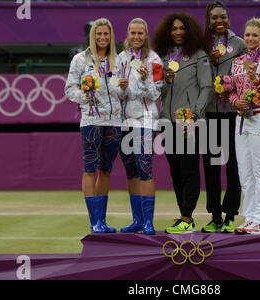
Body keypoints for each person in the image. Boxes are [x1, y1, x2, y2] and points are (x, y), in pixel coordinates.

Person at [152, 12, 213, 234]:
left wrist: (194, 115)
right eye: (174, 29)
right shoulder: (161, 57)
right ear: (168, 32)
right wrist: (165, 81)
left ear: (189, 31)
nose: (178, 32)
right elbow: (160, 92)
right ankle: (183, 216)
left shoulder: (199, 55)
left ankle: (187, 216)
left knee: (189, 169)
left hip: (189, 122)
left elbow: (206, 87)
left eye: (182, 28)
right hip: (167, 122)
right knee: (175, 171)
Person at [65, 18, 122, 234]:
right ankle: (94, 222)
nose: (102, 38)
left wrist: (126, 87)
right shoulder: (80, 60)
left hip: (115, 120)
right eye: (99, 34)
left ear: (111, 36)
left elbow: (127, 89)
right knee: (90, 169)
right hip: (90, 120)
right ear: (92, 35)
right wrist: (85, 97)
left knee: (105, 170)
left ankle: (103, 221)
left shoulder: (120, 59)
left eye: (106, 34)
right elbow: (69, 89)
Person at [229, 17, 260, 234]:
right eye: (247, 35)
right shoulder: (237, 61)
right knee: (245, 172)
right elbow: (231, 89)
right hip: (241, 119)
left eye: (254, 35)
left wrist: (256, 78)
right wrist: (234, 101)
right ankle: (249, 218)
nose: (250, 38)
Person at [201, 1, 246, 234]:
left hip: (232, 113)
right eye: (215, 18)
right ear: (208, 20)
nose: (219, 21)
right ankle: (215, 215)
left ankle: (230, 215)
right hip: (208, 113)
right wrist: (209, 63)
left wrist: (231, 86)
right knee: (210, 166)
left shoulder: (239, 44)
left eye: (223, 17)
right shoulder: (200, 45)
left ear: (228, 19)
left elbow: (246, 74)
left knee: (233, 166)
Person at [116, 18, 164, 235]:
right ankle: (137, 219)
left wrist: (145, 80)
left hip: (145, 119)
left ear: (146, 35)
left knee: (144, 168)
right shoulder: (121, 59)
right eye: (132, 33)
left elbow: (156, 94)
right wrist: (122, 88)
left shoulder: (155, 60)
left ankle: (149, 223)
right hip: (125, 120)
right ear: (128, 34)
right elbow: (118, 94)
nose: (136, 37)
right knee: (131, 171)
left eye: (140, 33)